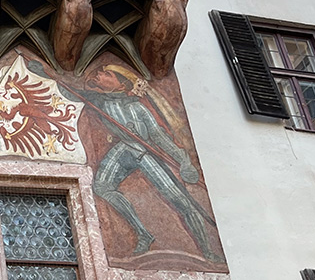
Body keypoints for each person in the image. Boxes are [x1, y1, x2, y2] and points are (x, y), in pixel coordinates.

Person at [84, 63, 220, 260]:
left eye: (107, 75)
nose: (100, 75)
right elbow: (73, 92)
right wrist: (42, 72)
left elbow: (159, 137)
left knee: (180, 201)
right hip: (124, 148)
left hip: (145, 151)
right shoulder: (101, 101)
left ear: (122, 85)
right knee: (102, 186)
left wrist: (184, 162)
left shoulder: (137, 108)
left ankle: (207, 252)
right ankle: (143, 234)